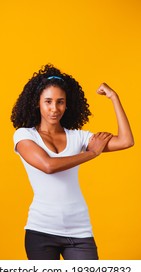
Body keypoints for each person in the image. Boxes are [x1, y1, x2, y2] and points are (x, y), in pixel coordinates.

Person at [11, 64, 134, 260]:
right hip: (41, 231)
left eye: (60, 102)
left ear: (67, 104)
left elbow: (126, 141)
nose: (54, 109)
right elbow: (48, 166)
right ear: (37, 103)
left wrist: (114, 98)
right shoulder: (25, 135)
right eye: (48, 102)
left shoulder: (78, 137)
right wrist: (92, 153)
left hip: (79, 231)